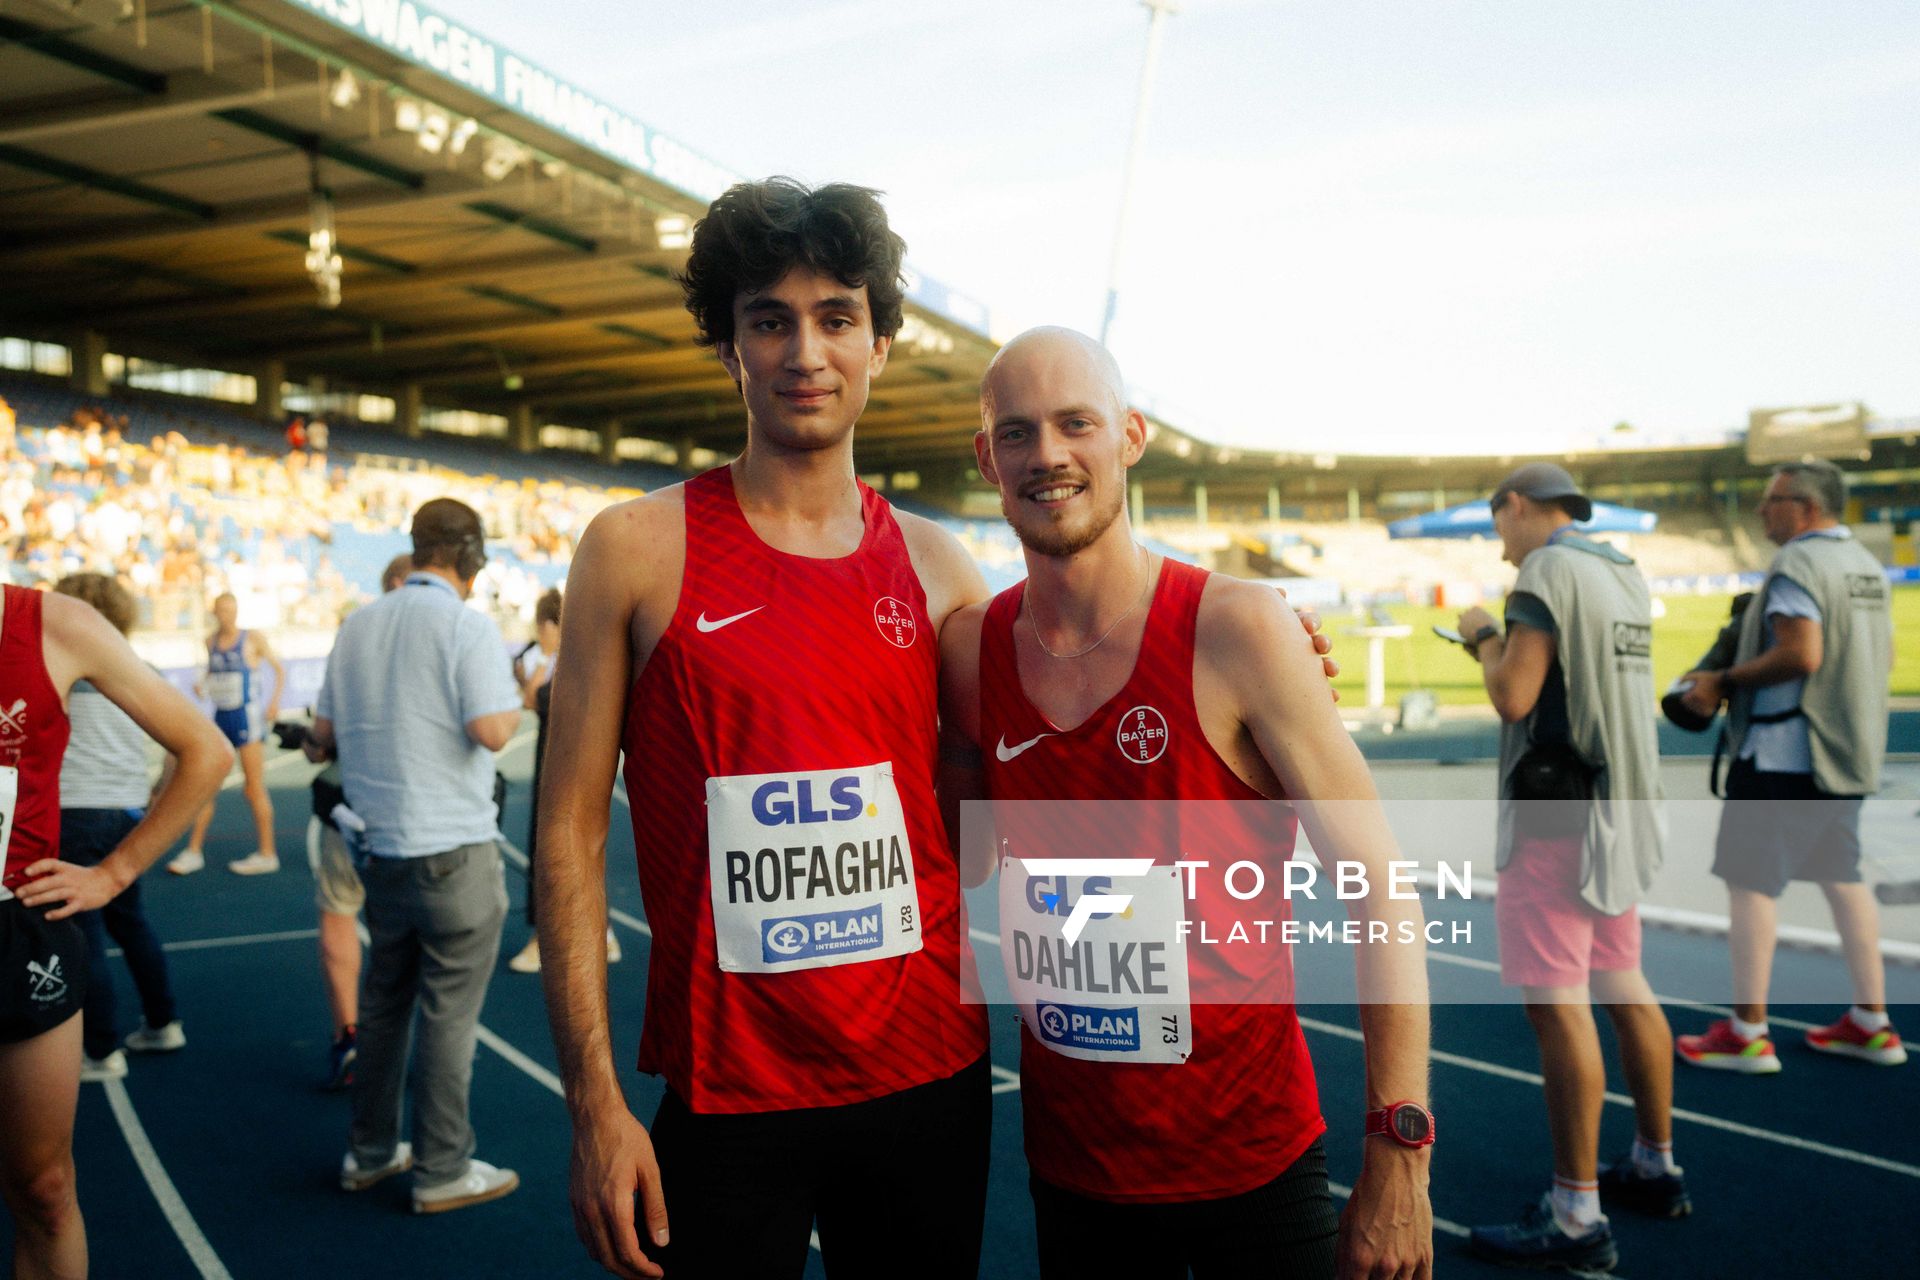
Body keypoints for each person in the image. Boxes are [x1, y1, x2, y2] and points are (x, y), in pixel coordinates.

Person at [536, 178, 1000, 1279]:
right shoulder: (635, 549)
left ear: (879, 344)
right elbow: (565, 832)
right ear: (730, 347)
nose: (806, 350)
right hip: (729, 1091)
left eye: (837, 317)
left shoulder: (940, 568)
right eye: (769, 319)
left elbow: (1030, 764)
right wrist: (595, 1104)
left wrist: (1246, 638)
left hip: (926, 1075)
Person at [938, 327, 1430, 1280]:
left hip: (1253, 1166)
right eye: (1016, 432)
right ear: (986, 459)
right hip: (1075, 1174)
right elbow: (965, 859)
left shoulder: (1239, 628)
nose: (1046, 455)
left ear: (1130, 435)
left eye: (1075, 423)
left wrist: (1399, 1150)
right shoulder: (973, 653)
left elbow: (1381, 888)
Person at [1448, 464, 1682, 1271]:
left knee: (1558, 1004)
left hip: (1557, 815)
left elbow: (1515, 695)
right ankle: (1655, 1164)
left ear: (1516, 506)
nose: (1501, 543)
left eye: (1497, 521)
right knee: (1624, 982)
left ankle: (1576, 1212)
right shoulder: (1621, 567)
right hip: (1621, 806)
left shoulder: (1544, 569)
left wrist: (1483, 633)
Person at [1, 582, 231, 1277]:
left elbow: (206, 750)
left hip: (19, 930)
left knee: (44, 1188)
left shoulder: (55, 624)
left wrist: (114, 871)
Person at [305, 498, 523, 1214]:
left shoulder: (358, 625)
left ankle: (369, 1152)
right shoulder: (466, 625)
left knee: (384, 1006)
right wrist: (522, 695)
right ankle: (441, 1167)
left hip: (382, 852)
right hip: (452, 851)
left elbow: (324, 734)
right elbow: (491, 731)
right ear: (469, 559)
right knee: (448, 1018)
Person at [1676, 460, 1903, 1071]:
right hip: (1847, 753)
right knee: (1843, 879)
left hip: (1785, 756)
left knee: (1750, 886)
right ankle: (1872, 1021)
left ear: (1804, 507)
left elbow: (1801, 653)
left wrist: (1720, 678)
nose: (1760, 510)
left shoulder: (1798, 563)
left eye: (1770, 500)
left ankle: (1747, 1030)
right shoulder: (1864, 566)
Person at [51, 575, 188, 1083]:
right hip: (128, 811)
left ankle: (102, 1048)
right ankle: (162, 1020)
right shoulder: (142, 670)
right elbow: (184, 745)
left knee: (82, 936)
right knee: (131, 923)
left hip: (74, 811)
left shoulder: (63, 668)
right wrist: (155, 793)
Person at [309, 553, 414, 1093]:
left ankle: (350, 1035)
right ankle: (397, 1043)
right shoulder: (446, 631)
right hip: (422, 812)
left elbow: (322, 734)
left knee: (339, 912)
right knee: (414, 931)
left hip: (352, 803)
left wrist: (312, 740)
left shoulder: (353, 634)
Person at [506, 589, 620, 976]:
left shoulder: (569, 660)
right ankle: (601, 932)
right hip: (576, 761)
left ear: (552, 625)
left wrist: (539, 666)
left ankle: (545, 939)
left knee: (551, 847)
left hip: (561, 764)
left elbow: (534, 699)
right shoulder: (578, 655)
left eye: (542, 627)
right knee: (579, 846)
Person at [170, 592, 284, 876]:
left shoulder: (252, 638)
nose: (227, 615)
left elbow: (279, 670)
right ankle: (193, 851)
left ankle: (267, 853)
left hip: (246, 719)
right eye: (221, 610)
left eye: (231, 610)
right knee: (206, 784)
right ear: (214, 612)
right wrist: (203, 685)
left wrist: (273, 702)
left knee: (253, 787)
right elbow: (212, 672)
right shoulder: (209, 642)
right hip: (220, 718)